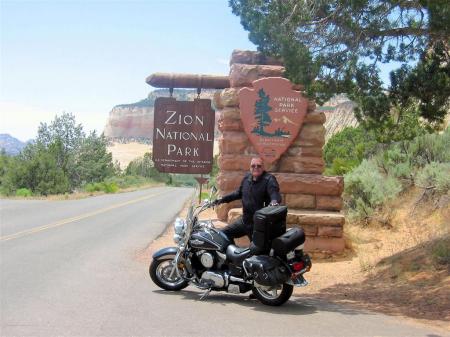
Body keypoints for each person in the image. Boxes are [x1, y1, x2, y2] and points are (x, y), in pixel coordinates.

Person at [215, 157, 282, 242]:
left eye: (259, 166)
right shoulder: (247, 178)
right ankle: (231, 253)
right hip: (245, 221)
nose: (256, 168)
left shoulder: (269, 179)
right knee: (223, 234)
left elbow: (274, 193)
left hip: (259, 225)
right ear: (250, 167)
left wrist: (274, 201)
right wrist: (221, 200)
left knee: (257, 252)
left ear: (263, 167)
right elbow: (238, 193)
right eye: (253, 166)